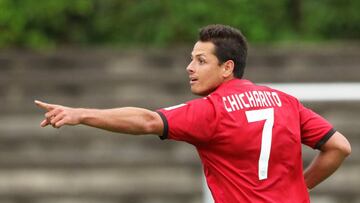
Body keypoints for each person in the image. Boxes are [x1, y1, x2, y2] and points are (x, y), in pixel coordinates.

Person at [35, 24, 351, 203]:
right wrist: (298, 188)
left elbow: (146, 120)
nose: (189, 67)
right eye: (191, 58)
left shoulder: (212, 111)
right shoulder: (285, 101)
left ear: (227, 67)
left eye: (201, 60)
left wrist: (80, 114)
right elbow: (339, 147)